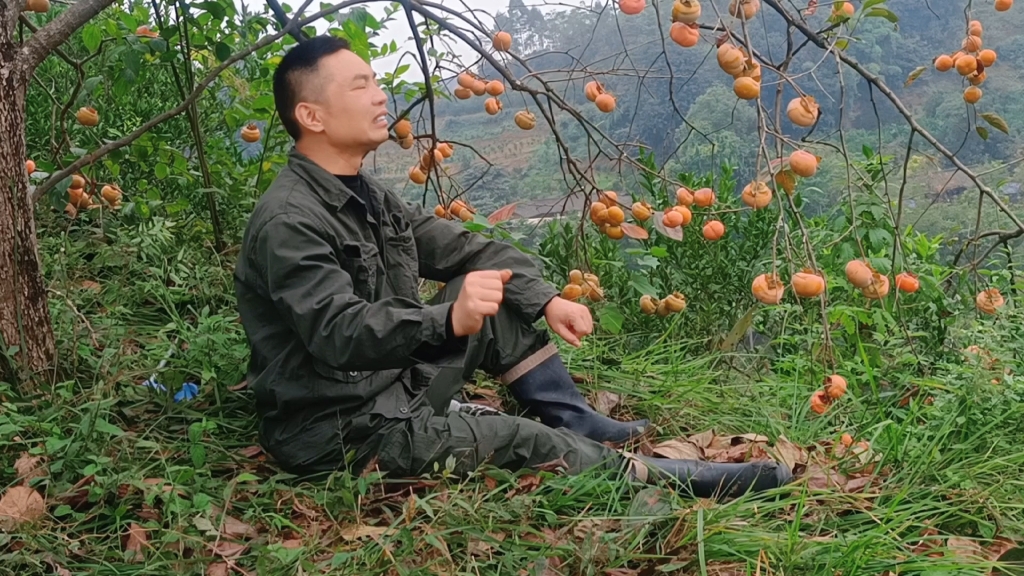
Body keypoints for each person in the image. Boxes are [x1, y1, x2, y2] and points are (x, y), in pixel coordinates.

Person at [233, 35, 793, 499]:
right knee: (520, 440)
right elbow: (336, 332)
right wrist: (447, 321)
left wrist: (546, 298)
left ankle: (572, 416)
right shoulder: (291, 219)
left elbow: (465, 248)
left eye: (378, 82)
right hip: (343, 433)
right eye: (362, 86)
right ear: (312, 115)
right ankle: (671, 482)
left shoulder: (368, 196)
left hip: (394, 389)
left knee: (492, 292)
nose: (381, 97)